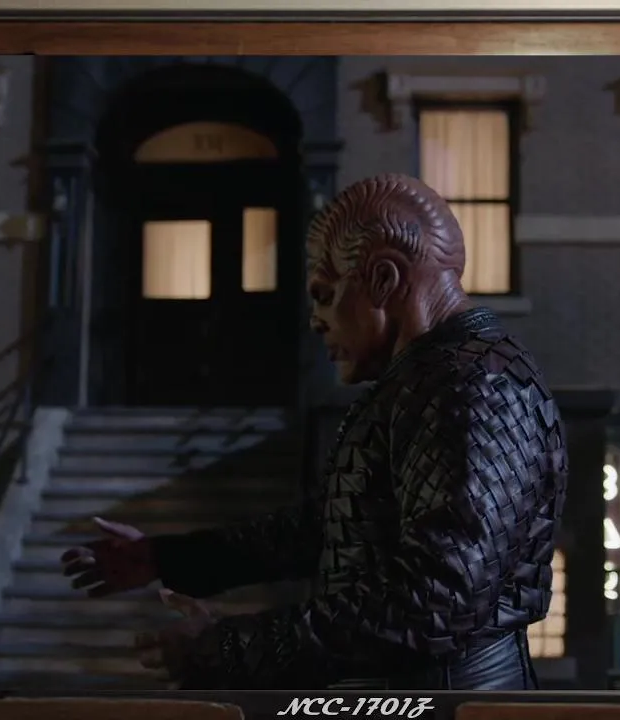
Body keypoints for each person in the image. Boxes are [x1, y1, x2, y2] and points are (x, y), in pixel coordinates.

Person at [60, 173, 568, 690]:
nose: (316, 321)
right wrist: (168, 559)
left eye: (325, 295)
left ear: (383, 278)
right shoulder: (435, 381)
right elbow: (333, 527)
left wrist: (227, 649)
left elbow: (437, 596)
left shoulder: (474, 385)